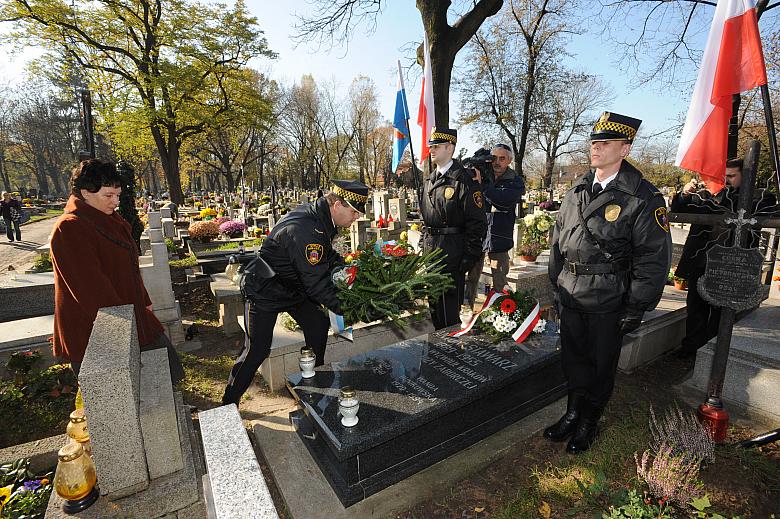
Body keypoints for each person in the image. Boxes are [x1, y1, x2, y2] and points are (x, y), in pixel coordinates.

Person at [546, 112, 671, 454]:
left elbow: (653, 257)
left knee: (600, 365)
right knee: (573, 359)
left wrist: (636, 306)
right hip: (571, 291)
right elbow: (558, 240)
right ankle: (572, 413)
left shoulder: (642, 197)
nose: (595, 148)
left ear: (625, 149)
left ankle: (589, 421)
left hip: (608, 296)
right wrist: (556, 284)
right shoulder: (577, 189)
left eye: (605, 142)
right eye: (594, 142)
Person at [222, 180, 368, 406]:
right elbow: (316, 284)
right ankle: (228, 404)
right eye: (354, 212)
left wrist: (347, 267)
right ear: (337, 204)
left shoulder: (320, 218)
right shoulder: (306, 230)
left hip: (293, 288)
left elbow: (326, 255)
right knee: (256, 350)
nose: (356, 217)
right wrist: (349, 309)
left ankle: (312, 381)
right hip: (265, 291)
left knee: (318, 325)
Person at [50, 159, 184, 381]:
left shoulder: (109, 219)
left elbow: (129, 267)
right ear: (85, 193)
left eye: (118, 195)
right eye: (108, 195)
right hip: (98, 327)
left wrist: (144, 300)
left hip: (131, 312)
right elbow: (90, 289)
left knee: (166, 372)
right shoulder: (70, 228)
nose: (116, 202)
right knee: (119, 391)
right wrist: (123, 327)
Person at [671, 158, 777, 358]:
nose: (726, 180)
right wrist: (685, 194)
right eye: (723, 176)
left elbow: (764, 209)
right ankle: (690, 349)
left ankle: (710, 353)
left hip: (730, 265)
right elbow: (678, 210)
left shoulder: (757, 197)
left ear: (745, 177)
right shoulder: (706, 195)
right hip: (701, 262)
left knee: (721, 314)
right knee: (696, 309)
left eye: (731, 176)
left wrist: (727, 194)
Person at [420, 128, 487, 329]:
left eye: (437, 146)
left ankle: (450, 347)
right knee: (435, 311)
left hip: (453, 254)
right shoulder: (429, 180)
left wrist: (468, 257)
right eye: (431, 146)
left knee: (449, 315)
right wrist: (423, 244)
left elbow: (477, 223)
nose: (431, 150)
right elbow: (425, 219)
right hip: (431, 254)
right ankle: (438, 347)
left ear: (449, 148)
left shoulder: (463, 180)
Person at [465, 144, 525, 305]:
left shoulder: (515, 181)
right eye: (494, 158)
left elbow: (504, 202)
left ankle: (500, 312)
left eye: (502, 158)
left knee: (500, 282)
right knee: (470, 278)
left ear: (510, 160)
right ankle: (466, 311)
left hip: (500, 237)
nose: (497, 162)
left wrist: (483, 186)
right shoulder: (482, 174)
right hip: (478, 235)